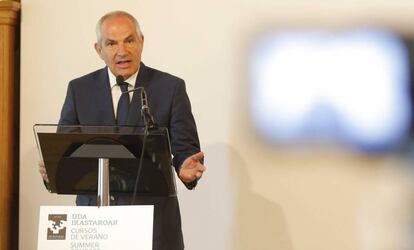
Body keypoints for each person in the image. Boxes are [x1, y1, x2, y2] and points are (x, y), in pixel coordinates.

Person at [39, 10, 205, 250]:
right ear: (99, 50)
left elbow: (185, 148)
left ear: (141, 42)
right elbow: (65, 151)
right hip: (94, 226)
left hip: (153, 226)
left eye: (129, 40)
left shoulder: (170, 88)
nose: (122, 51)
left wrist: (185, 167)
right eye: (111, 43)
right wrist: (52, 170)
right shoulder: (79, 90)